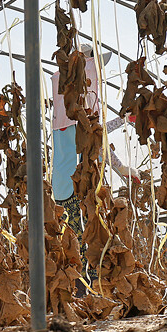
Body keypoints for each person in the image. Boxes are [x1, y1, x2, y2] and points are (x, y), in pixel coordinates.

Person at [50, 44, 141, 238]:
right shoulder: (74, 121)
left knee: (79, 244)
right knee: (86, 243)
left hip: (64, 190)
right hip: (73, 191)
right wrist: (122, 168)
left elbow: (98, 140)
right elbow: (98, 142)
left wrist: (122, 168)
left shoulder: (65, 121)